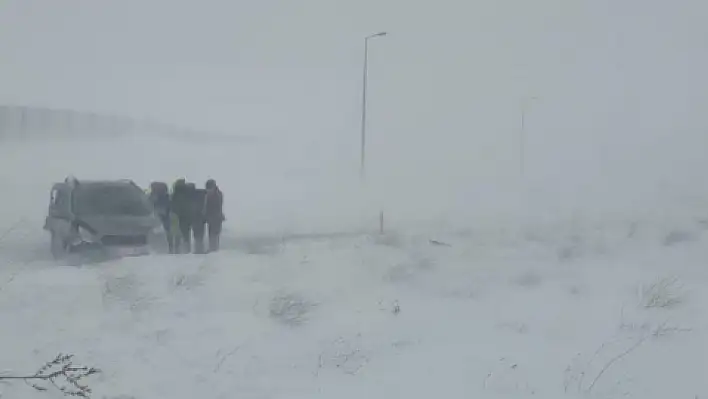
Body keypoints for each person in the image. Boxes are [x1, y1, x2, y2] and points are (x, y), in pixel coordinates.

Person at [148, 181, 174, 253]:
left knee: (155, 232)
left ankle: (157, 247)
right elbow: (170, 205)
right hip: (166, 216)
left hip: (156, 216)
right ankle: (170, 247)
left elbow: (149, 205)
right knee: (167, 232)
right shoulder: (166, 196)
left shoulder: (152, 196)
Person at [170, 178, 192, 253]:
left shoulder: (175, 193)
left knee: (177, 233)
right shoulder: (188, 193)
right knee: (186, 233)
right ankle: (187, 248)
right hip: (186, 216)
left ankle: (177, 248)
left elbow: (172, 204)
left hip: (177, 215)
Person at [203, 179, 224, 252]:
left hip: (216, 217)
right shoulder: (217, 194)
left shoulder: (216, 195)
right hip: (213, 218)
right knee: (212, 234)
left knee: (214, 234)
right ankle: (213, 249)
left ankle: (214, 249)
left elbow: (215, 206)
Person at [187, 182, 207, 254]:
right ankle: (199, 249)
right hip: (200, 217)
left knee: (196, 235)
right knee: (199, 235)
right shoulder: (200, 193)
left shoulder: (188, 195)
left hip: (194, 217)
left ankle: (197, 249)